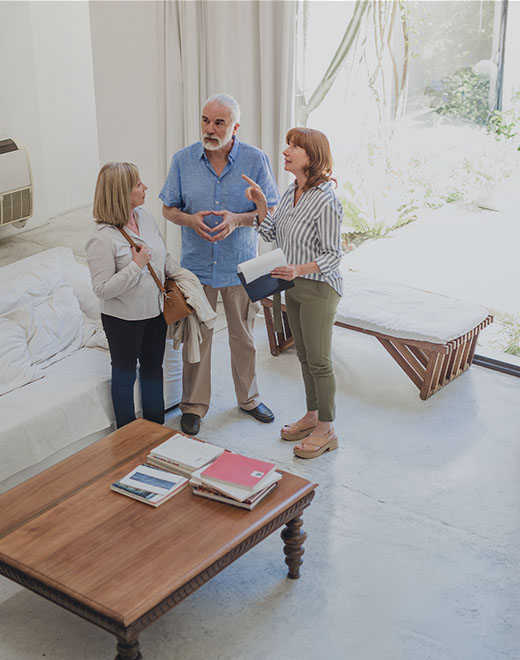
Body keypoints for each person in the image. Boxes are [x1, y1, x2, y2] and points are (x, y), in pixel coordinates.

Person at [160, 93, 280, 436]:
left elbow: (268, 210)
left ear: (235, 127)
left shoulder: (256, 160)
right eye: (205, 120)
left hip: (240, 266)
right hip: (196, 267)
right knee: (198, 339)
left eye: (219, 123)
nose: (210, 129)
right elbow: (168, 208)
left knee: (243, 337)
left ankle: (249, 399)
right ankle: (194, 406)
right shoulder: (182, 160)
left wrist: (238, 220)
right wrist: (190, 220)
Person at [242, 127, 343, 459]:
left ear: (311, 157)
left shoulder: (326, 199)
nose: (286, 151)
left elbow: (333, 255)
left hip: (318, 288)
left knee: (319, 361)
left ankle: (327, 430)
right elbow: (271, 232)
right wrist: (260, 204)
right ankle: (312, 416)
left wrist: (298, 269)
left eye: (295, 147)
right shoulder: (291, 191)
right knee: (303, 357)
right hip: (292, 286)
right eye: (287, 145)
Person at [86, 161, 189, 429]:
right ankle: (128, 436)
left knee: (154, 369)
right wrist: (136, 265)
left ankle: (154, 429)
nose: (145, 187)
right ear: (121, 193)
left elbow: (163, 256)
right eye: (138, 184)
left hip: (154, 311)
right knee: (124, 375)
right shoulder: (102, 239)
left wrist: (185, 281)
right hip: (123, 320)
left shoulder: (145, 217)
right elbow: (102, 289)